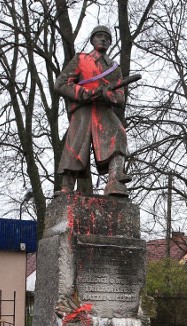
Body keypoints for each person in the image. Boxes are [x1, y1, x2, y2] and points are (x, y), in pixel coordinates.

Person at [55, 25, 131, 197]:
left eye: (107, 37)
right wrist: (84, 93)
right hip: (83, 109)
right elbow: (60, 84)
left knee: (118, 134)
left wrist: (107, 95)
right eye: (100, 36)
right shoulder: (81, 59)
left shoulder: (114, 67)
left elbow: (120, 97)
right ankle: (66, 187)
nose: (103, 39)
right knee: (75, 145)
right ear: (92, 40)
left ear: (110, 42)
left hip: (103, 109)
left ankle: (115, 179)